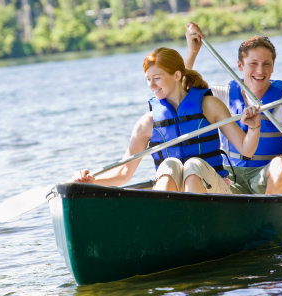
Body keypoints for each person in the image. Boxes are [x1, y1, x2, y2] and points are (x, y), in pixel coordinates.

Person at [73, 47, 261, 194]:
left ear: (177, 75)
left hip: (216, 195)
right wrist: (93, 181)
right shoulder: (147, 123)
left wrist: (254, 128)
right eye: (148, 79)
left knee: (193, 165)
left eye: (156, 78)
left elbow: (246, 150)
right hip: (175, 200)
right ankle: (167, 222)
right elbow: (124, 173)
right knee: (169, 165)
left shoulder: (210, 105)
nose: (151, 85)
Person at [184, 22, 282, 195]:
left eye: (267, 64)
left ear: (273, 67)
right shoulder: (222, 96)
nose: (260, 70)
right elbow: (182, 90)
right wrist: (192, 51)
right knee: (193, 168)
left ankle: (270, 220)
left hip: (272, 176)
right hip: (231, 177)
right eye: (253, 63)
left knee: (280, 164)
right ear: (240, 66)